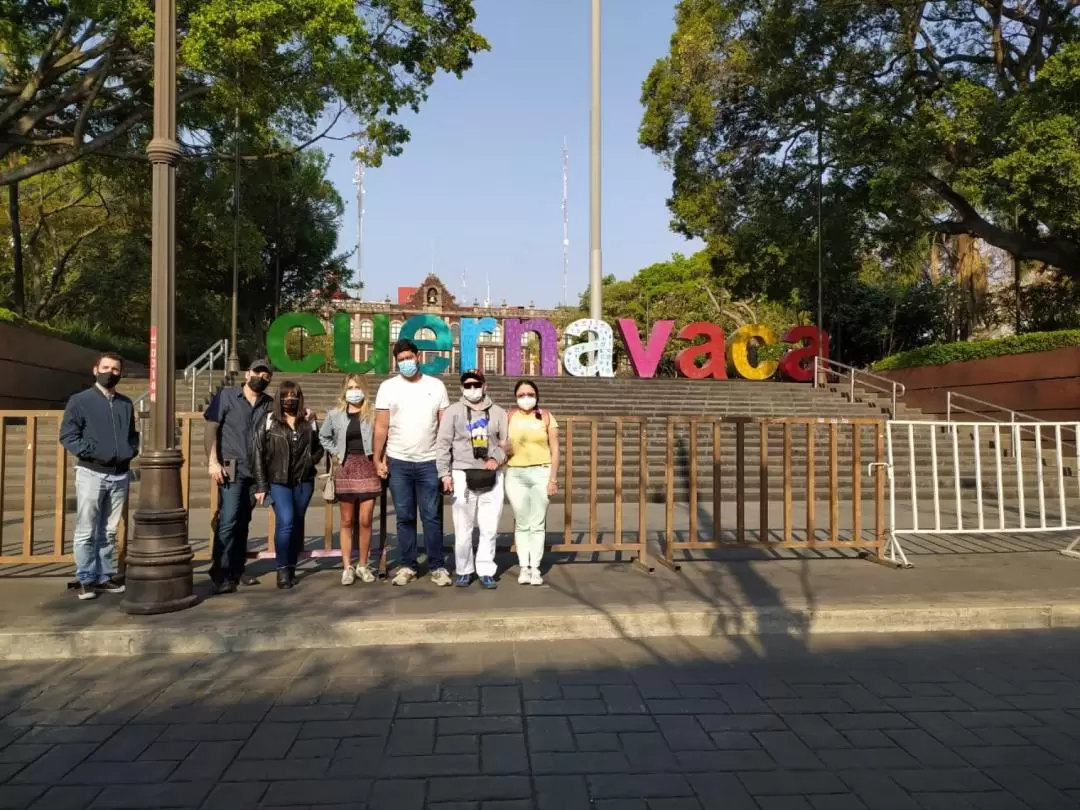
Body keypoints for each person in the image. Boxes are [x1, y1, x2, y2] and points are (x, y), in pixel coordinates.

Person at [59, 352, 138, 601]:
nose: (110, 372)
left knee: (110, 530)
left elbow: (132, 433)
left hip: (120, 473)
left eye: (115, 369)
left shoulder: (126, 403)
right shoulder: (80, 400)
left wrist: (130, 450)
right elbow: (68, 435)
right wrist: (91, 452)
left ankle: (104, 576)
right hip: (91, 472)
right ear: (95, 370)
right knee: (86, 529)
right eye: (106, 367)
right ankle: (86, 578)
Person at [373, 338, 452, 587]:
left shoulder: (436, 386)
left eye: (409, 358)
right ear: (396, 362)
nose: (405, 363)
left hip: (429, 461)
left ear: (418, 357)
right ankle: (407, 565)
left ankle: (437, 565)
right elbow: (381, 425)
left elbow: (445, 425)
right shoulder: (387, 387)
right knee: (404, 517)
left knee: (431, 516)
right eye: (401, 360)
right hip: (399, 461)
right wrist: (377, 457)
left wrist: (444, 461)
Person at [203, 359, 274, 594]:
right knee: (228, 520)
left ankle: (237, 568)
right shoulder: (226, 396)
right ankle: (220, 571)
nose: (261, 378)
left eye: (266, 375)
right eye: (257, 373)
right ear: (247, 373)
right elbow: (211, 427)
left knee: (244, 521)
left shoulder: (268, 403)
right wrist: (213, 461)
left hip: (255, 470)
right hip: (230, 467)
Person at [436, 369, 509, 589]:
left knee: (489, 526)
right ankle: (464, 570)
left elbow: (505, 443)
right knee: (463, 526)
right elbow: (443, 444)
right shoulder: (453, 411)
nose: (472, 389)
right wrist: (444, 474)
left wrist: (496, 458)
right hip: (461, 472)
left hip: (491, 473)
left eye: (476, 384)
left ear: (485, 386)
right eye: (467, 385)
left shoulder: (498, 412)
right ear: (461, 388)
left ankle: (486, 569)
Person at [252, 381, 323, 589]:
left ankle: (291, 565)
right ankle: (282, 569)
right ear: (278, 398)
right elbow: (258, 453)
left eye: (294, 395)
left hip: (304, 481)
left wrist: (311, 459)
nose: (289, 399)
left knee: (297, 523)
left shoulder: (307, 420)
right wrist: (261, 485)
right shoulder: (269, 420)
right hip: (278, 480)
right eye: (285, 395)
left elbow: (318, 447)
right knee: (286, 521)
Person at [319, 374, 382, 585]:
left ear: (364, 389)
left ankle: (363, 564)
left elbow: (384, 436)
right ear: (344, 390)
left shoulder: (372, 414)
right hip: (345, 468)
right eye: (350, 387)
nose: (353, 390)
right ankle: (347, 566)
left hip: (368, 468)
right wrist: (336, 452)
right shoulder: (335, 414)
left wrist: (382, 459)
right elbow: (323, 436)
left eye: (357, 387)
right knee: (346, 521)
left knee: (365, 520)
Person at [504, 379, 560, 586]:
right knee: (522, 521)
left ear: (536, 396)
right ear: (515, 397)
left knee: (537, 523)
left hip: (541, 472)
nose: (525, 398)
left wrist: (553, 478)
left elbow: (555, 448)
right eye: (521, 394)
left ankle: (535, 568)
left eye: (529, 394)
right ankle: (523, 567)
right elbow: (502, 442)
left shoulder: (545, 416)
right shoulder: (509, 416)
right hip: (516, 473)